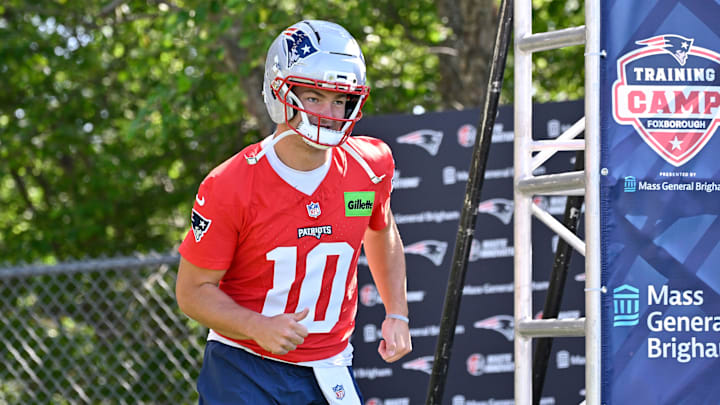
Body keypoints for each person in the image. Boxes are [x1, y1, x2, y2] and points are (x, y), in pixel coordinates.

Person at [175, 20, 412, 404]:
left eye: (340, 100)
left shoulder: (368, 166)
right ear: (280, 91)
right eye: (314, 97)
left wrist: (396, 312)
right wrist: (255, 325)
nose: (329, 112)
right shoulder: (232, 184)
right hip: (245, 364)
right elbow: (192, 291)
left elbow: (380, 231)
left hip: (330, 364)